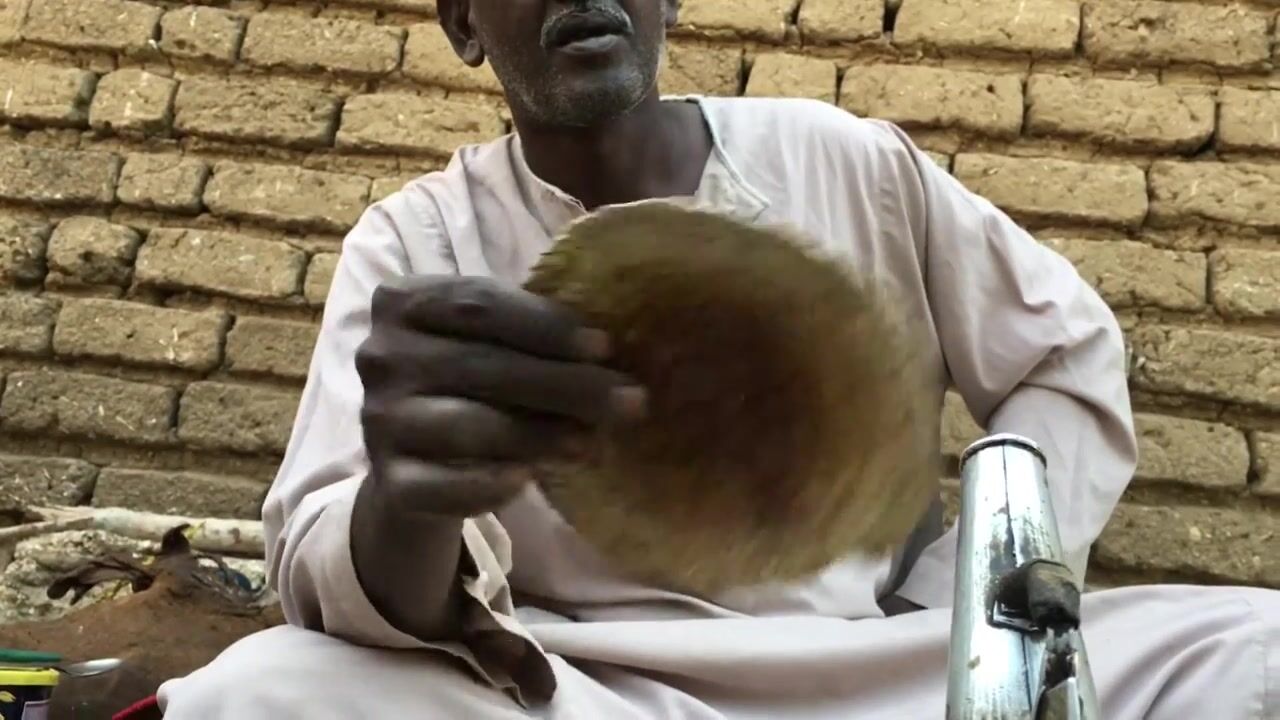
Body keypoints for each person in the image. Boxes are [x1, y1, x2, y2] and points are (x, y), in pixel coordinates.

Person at [157, 0, 1279, 716]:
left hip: (877, 675)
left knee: (1254, 650)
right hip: (571, 688)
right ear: (462, 22)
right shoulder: (416, 242)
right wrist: (409, 500)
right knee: (253, 696)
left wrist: (963, 604)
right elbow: (323, 566)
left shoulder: (844, 162)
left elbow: (1064, 356)